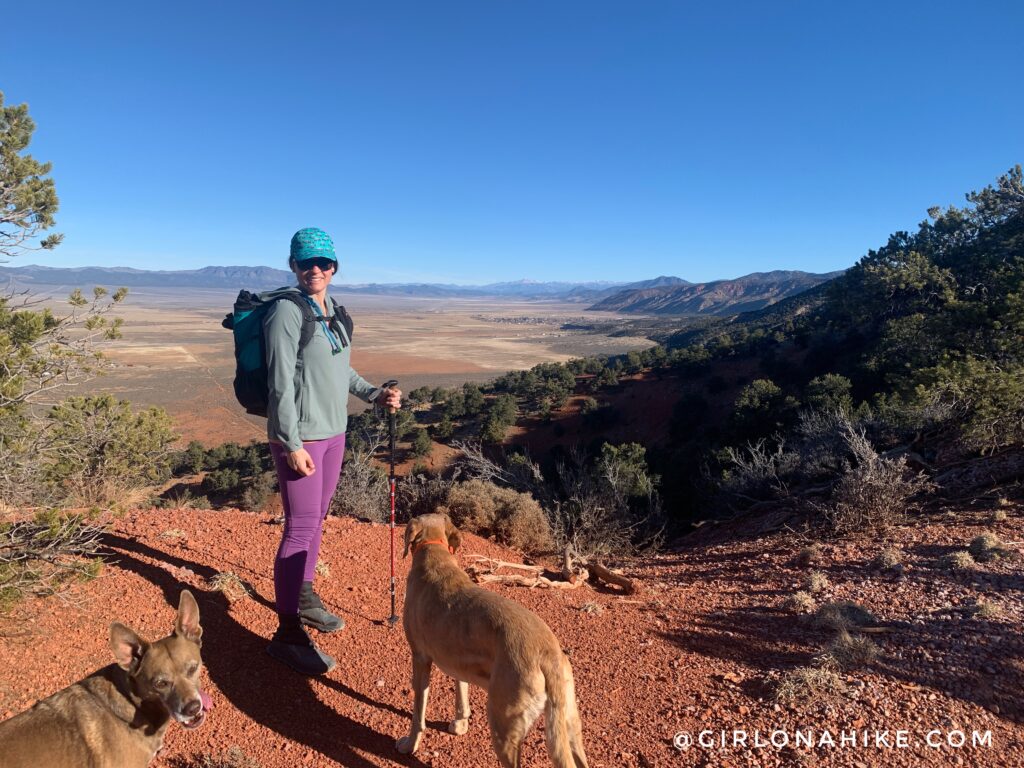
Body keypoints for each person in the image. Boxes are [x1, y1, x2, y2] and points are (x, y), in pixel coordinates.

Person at [263, 227, 402, 675]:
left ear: (335, 266)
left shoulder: (332, 311)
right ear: (293, 266)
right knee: (300, 530)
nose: (315, 270)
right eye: (306, 263)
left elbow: (341, 368)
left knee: (316, 522)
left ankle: (303, 597)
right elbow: (279, 382)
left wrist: (373, 393)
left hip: (335, 434)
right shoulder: (286, 312)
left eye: (323, 263)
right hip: (302, 438)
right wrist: (290, 442)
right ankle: (286, 635)